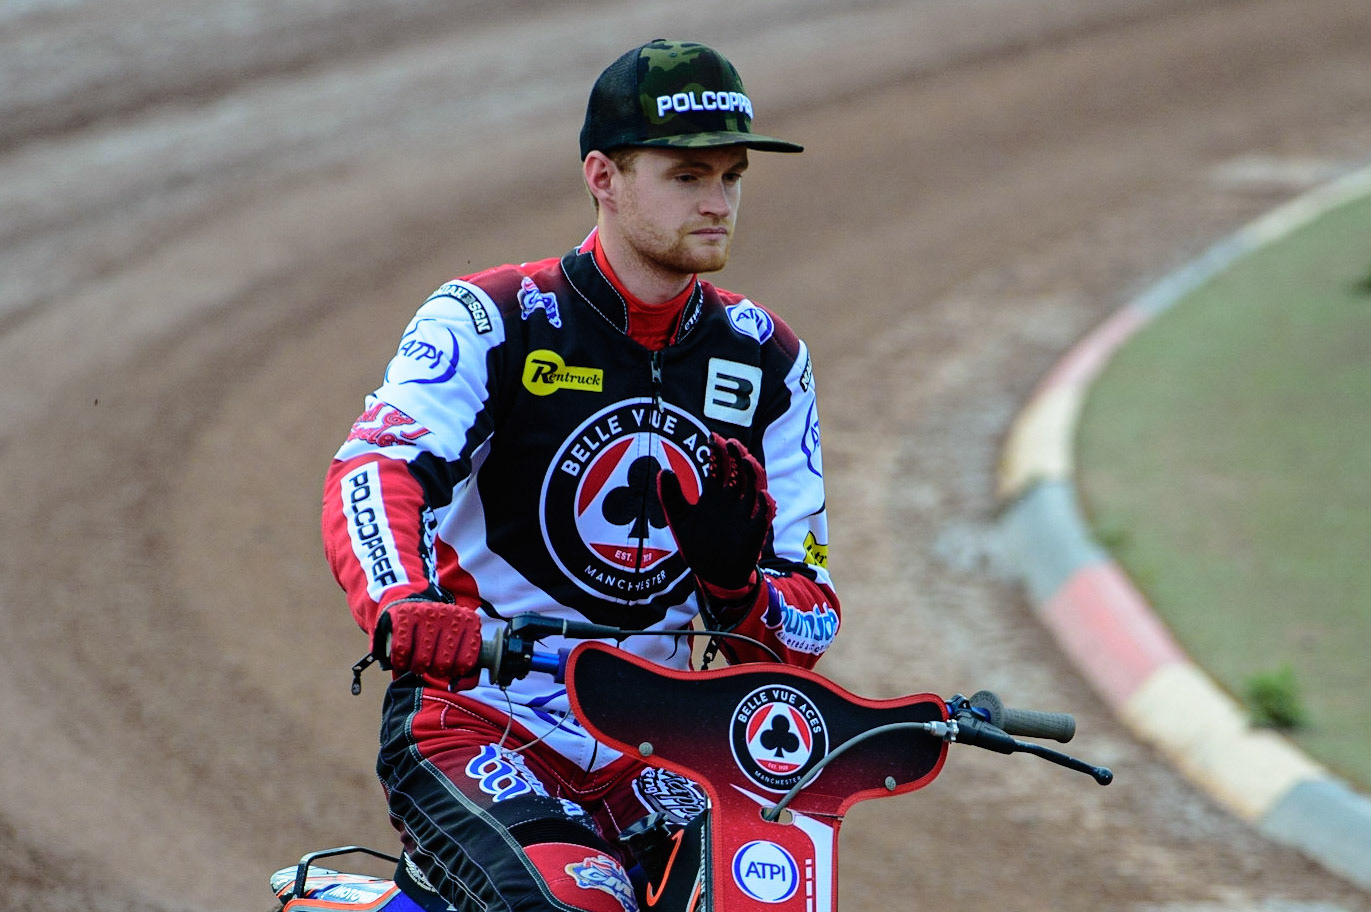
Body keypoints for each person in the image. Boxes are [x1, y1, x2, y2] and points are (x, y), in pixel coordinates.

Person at [321, 38, 839, 912]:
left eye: (731, 176)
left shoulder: (767, 358)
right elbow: (375, 468)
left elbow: (808, 620)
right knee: (575, 905)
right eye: (686, 176)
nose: (717, 203)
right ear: (602, 175)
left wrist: (737, 586)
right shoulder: (493, 317)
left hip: (664, 743)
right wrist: (403, 607)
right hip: (478, 717)